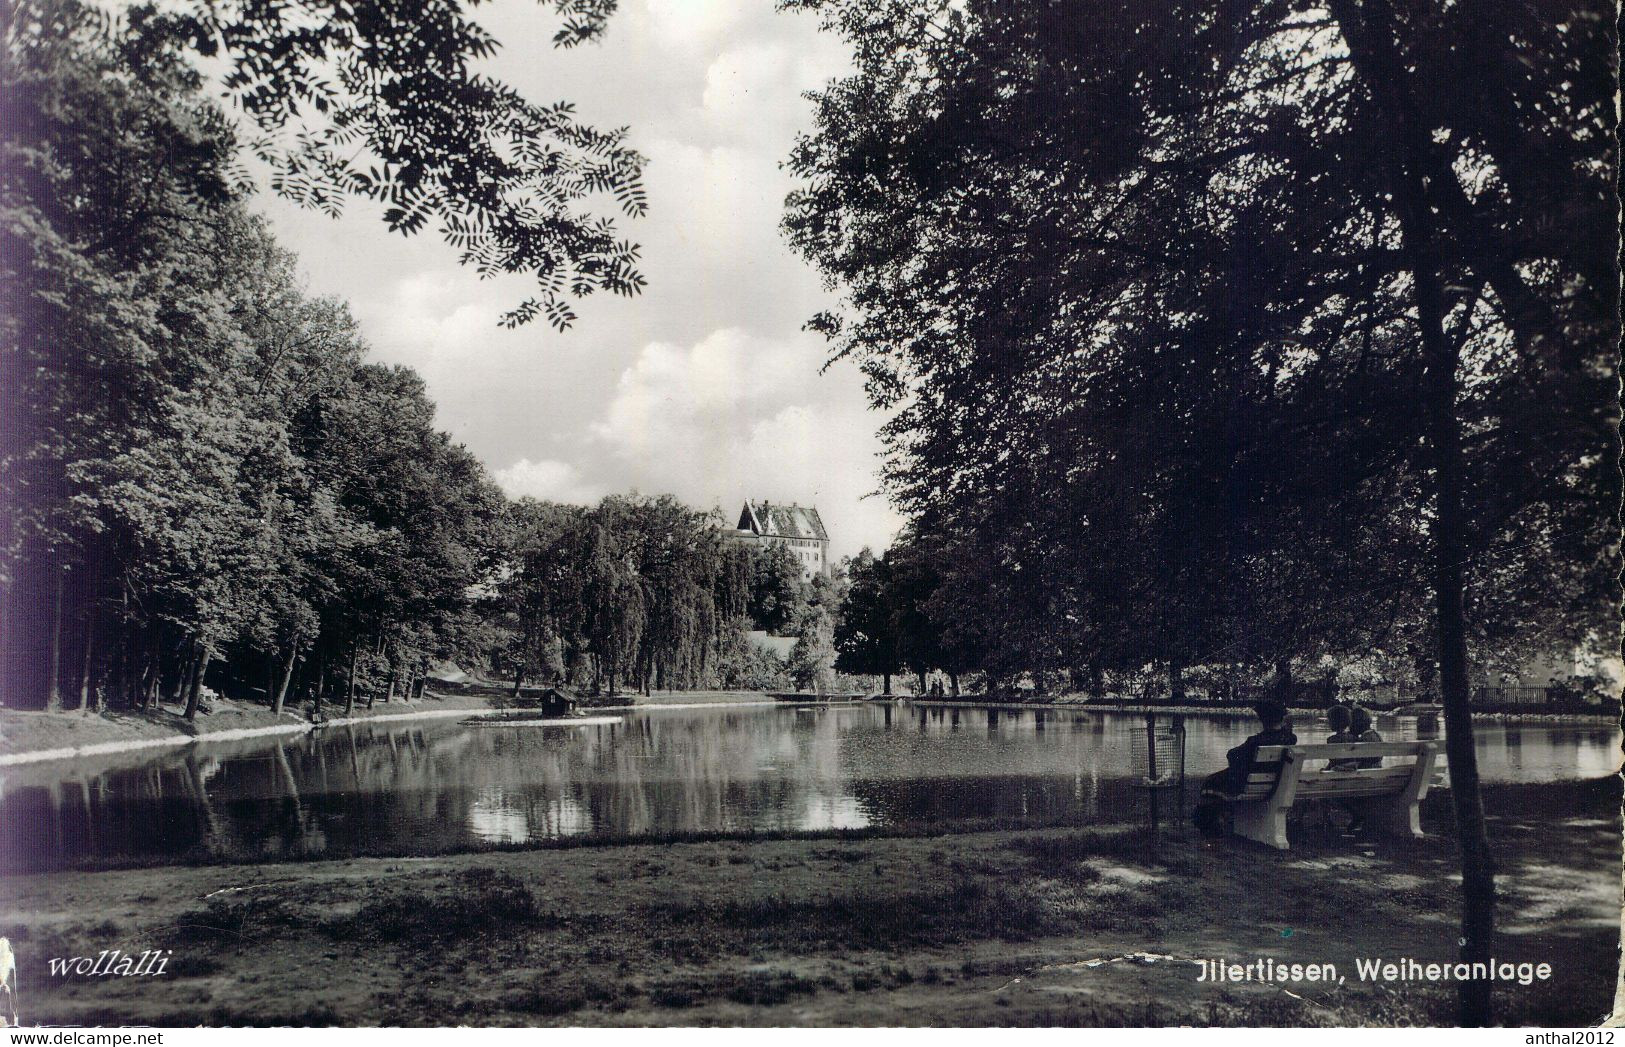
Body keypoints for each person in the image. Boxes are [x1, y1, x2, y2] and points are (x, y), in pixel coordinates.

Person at [1192, 700, 1297, 838]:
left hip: (1250, 784)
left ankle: (1208, 825)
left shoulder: (1255, 741)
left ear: (1262, 719)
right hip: (1277, 783)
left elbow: (1232, 755)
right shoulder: (1290, 739)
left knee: (1210, 782)